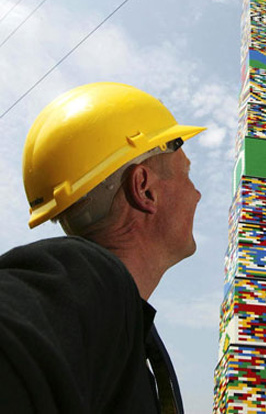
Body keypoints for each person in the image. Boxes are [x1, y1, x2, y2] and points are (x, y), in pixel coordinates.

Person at [0, 82, 206, 413]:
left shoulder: (118, 334)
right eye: (187, 175)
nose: (197, 194)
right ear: (144, 188)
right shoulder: (88, 283)